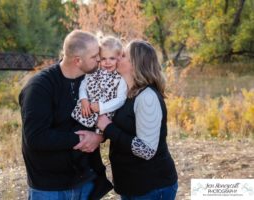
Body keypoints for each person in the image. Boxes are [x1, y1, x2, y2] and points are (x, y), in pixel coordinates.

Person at [19, 30, 112, 200]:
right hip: (49, 188)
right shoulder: (39, 87)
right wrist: (81, 140)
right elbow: (36, 137)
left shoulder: (92, 82)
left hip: (85, 183)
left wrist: (99, 137)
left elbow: (106, 118)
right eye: (94, 57)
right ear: (78, 60)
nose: (99, 60)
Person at [95, 40, 179, 199]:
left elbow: (146, 150)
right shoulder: (125, 93)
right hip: (131, 185)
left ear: (136, 63)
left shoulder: (147, 97)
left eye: (123, 55)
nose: (117, 58)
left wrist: (108, 128)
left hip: (151, 187)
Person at [71, 36, 127, 132]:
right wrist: (83, 99)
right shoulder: (95, 71)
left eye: (112, 58)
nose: (107, 62)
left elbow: (121, 99)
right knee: (77, 133)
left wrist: (101, 107)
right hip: (85, 112)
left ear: (118, 58)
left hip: (103, 116)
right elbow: (83, 84)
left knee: (93, 139)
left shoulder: (120, 78)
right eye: (103, 58)